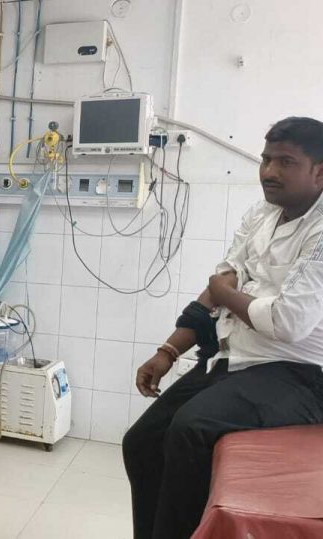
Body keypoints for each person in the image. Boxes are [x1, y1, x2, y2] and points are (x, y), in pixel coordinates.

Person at [123, 117, 323, 539]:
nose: (269, 171)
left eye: (286, 162)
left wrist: (226, 292)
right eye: (266, 159)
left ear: (319, 172)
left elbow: (287, 322)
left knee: (191, 429)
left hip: (301, 375)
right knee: (142, 440)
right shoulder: (263, 213)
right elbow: (220, 286)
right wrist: (168, 351)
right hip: (239, 360)